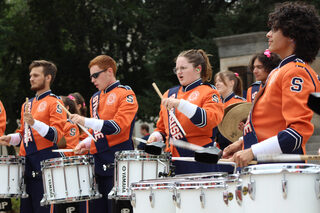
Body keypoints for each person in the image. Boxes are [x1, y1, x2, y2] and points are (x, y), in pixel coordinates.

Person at [223, 1, 320, 168]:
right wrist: (242, 142)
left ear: (291, 35)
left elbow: (297, 133)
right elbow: (271, 124)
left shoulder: (296, 72)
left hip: (282, 171)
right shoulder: (279, 71)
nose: (268, 34)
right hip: (267, 168)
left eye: (274, 29)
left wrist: (252, 151)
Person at [70, 55, 138, 213]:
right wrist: (86, 142)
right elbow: (97, 131)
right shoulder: (95, 97)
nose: (92, 80)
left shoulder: (126, 93)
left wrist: (84, 120)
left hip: (119, 162)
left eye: (95, 75)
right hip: (98, 161)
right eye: (91, 76)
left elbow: (117, 127)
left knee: (118, 208)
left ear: (109, 71)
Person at [0, 60, 67, 213]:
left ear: (48, 77)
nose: (31, 78)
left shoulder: (55, 102)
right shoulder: (27, 104)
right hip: (27, 163)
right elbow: (24, 134)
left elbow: (57, 135)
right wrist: (10, 138)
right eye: (30, 75)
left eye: (36, 75)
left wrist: (35, 123)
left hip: (45, 162)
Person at [148, 49, 224, 175]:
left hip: (200, 159)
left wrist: (181, 104)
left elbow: (209, 120)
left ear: (198, 69)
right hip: (173, 160)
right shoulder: (169, 94)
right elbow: (162, 128)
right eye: (176, 69)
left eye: (183, 68)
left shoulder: (209, 92)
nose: (179, 72)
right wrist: (156, 136)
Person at [213, 71, 246, 150]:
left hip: (235, 147)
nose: (217, 84)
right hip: (218, 148)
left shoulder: (240, 102)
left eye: (220, 81)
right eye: (216, 82)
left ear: (232, 83)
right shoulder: (215, 103)